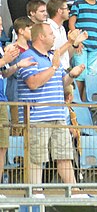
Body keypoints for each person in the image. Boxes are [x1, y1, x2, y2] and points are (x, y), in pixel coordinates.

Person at [15, 21, 84, 187]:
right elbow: (33, 83)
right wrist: (53, 67)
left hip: (58, 116)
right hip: (38, 118)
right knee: (37, 159)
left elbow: (60, 83)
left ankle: (74, 191)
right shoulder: (28, 57)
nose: (54, 37)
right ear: (41, 37)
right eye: (51, 34)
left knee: (64, 156)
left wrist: (72, 75)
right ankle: (35, 193)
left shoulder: (52, 57)